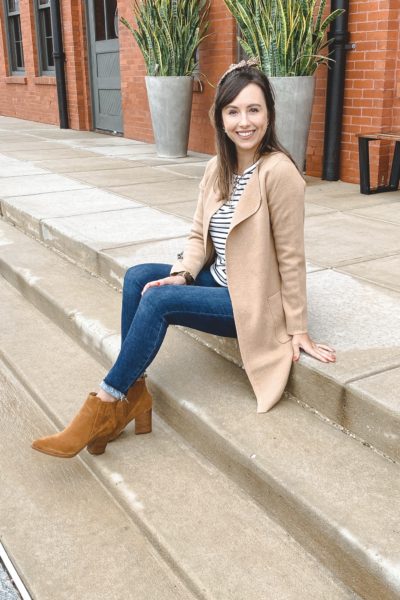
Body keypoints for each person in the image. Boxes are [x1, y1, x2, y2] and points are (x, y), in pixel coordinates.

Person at [32, 59, 336, 459]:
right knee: (140, 277)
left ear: (269, 115)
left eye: (254, 109)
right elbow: (197, 235)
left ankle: (106, 402)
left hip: (250, 303)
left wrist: (298, 327)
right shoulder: (217, 168)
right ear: (221, 118)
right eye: (233, 111)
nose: (244, 121)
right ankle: (135, 394)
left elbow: (292, 257)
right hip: (216, 281)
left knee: (158, 301)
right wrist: (183, 274)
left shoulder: (280, 173)